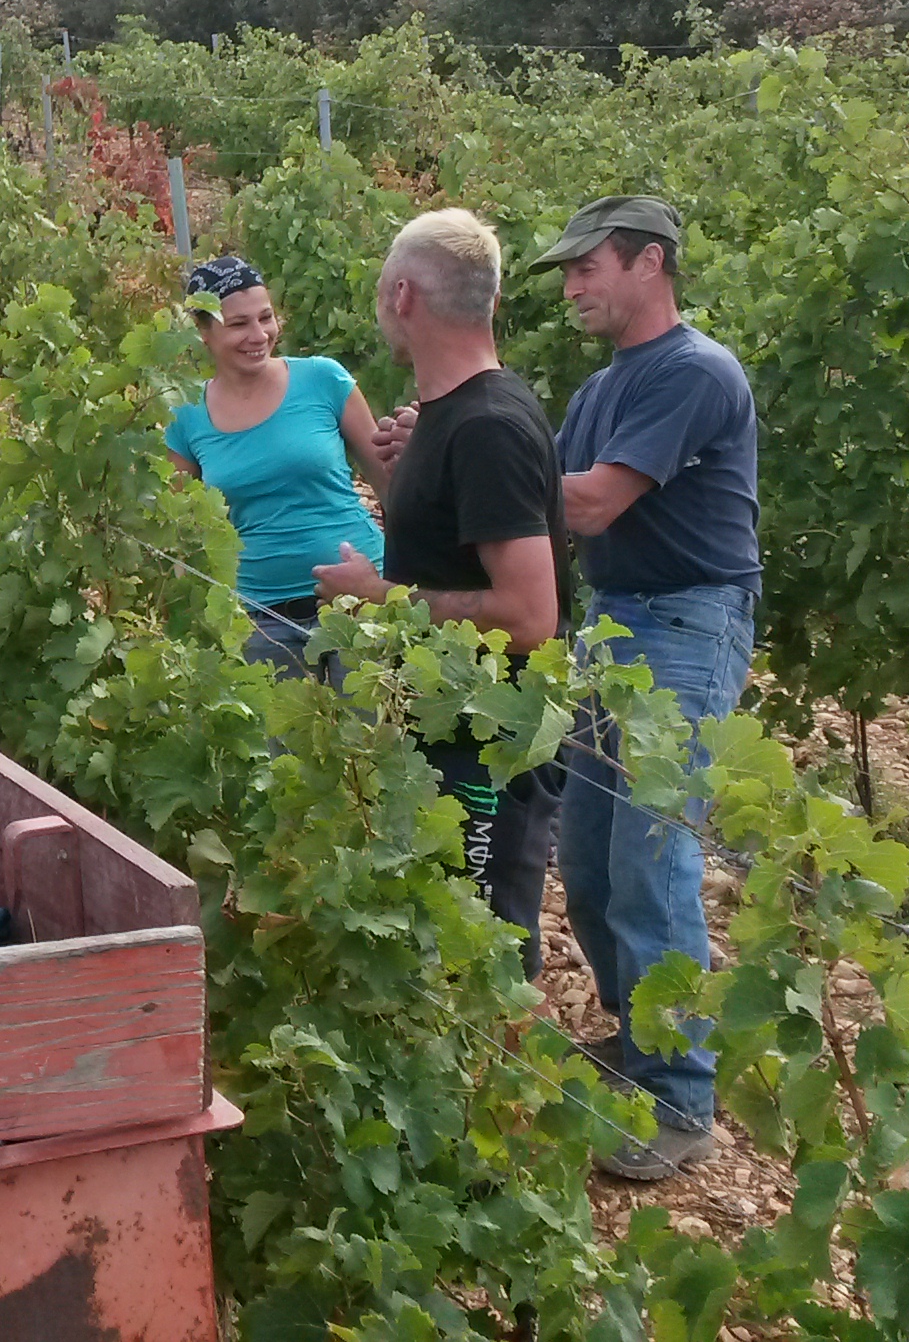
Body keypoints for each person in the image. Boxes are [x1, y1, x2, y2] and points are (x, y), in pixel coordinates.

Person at [529, 194, 760, 1182]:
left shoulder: (695, 375)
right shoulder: (597, 391)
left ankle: (681, 1097)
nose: (574, 286)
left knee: (654, 862)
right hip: (614, 625)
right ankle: (640, 1038)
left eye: (589, 267)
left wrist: (481, 458)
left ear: (650, 263)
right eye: (570, 271)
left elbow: (585, 500)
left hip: (684, 628)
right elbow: (552, 509)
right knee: (588, 860)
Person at [308, 208, 567, 974]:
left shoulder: (488, 428)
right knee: (442, 937)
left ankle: (500, 1087)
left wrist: (376, 595)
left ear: (402, 295)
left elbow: (529, 616)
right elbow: (456, 550)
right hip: (447, 724)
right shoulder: (452, 422)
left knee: (482, 952)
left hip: (488, 741)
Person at [163, 256, 393, 674]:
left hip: (357, 606)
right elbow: (181, 534)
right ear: (203, 333)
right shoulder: (186, 416)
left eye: (265, 318)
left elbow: (390, 487)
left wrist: (399, 586)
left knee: (370, 735)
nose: (258, 335)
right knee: (282, 736)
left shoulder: (324, 379)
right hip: (261, 622)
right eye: (238, 324)